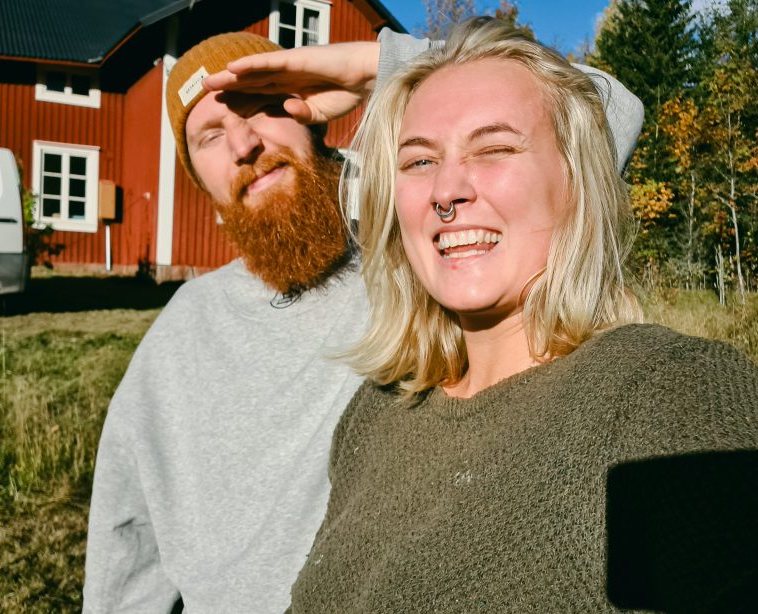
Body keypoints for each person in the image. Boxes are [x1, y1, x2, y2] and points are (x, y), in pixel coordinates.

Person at [83, 28, 645, 614]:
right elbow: (126, 538)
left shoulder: (421, 246)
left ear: (310, 114)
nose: (243, 144)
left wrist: (376, 67)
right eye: (208, 138)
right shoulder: (181, 336)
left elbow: (608, 113)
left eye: (262, 106)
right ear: (200, 183)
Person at [284, 18, 758, 613]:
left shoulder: (668, 391)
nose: (446, 191)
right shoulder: (377, 410)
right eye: (419, 162)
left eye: (495, 149)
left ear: (578, 183)